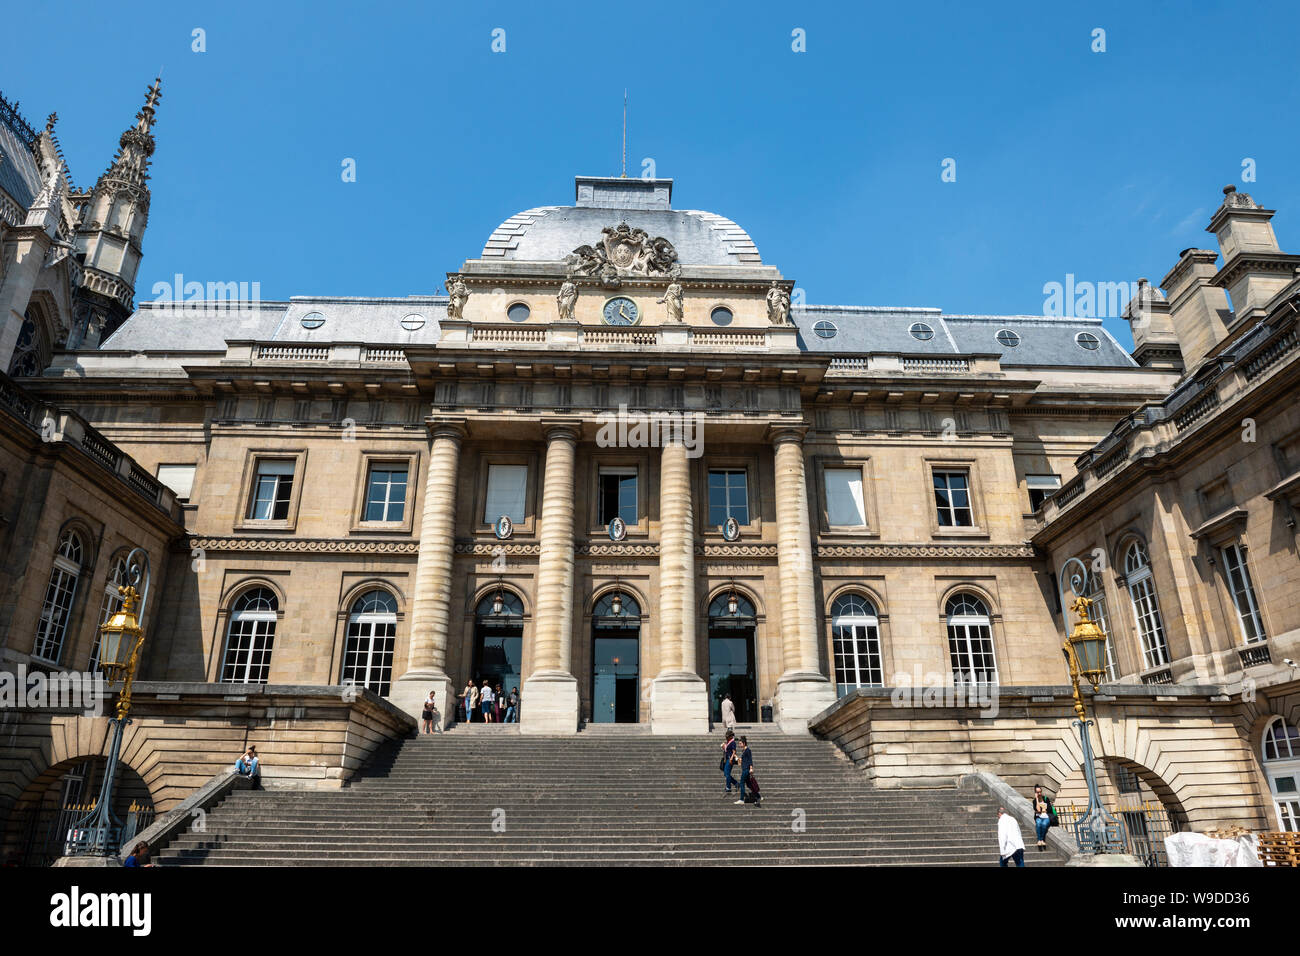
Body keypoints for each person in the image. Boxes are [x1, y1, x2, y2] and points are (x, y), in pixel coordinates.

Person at [734, 736, 759, 806]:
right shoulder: (744, 751)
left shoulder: (748, 750)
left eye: (740, 743)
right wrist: (737, 758)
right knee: (748, 784)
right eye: (739, 743)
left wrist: (751, 768)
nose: (739, 745)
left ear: (744, 743)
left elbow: (750, 760)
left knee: (742, 783)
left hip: (746, 770)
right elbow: (743, 760)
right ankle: (758, 796)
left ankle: (741, 799)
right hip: (744, 769)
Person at [1030, 784, 1056, 850]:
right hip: (1039, 817)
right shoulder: (1034, 801)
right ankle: (1040, 840)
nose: (1039, 793)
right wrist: (1037, 799)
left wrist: (1045, 809)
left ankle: (1041, 839)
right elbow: (1038, 810)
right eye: (1037, 792)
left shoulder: (1045, 799)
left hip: (1046, 816)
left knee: (1044, 824)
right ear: (1035, 793)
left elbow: (1049, 809)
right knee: (1038, 823)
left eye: (1040, 792)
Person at [720, 729, 737, 795]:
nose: (726, 738)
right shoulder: (728, 742)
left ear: (731, 736)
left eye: (727, 737)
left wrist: (731, 759)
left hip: (730, 759)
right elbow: (727, 750)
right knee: (726, 773)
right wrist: (724, 747)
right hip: (727, 759)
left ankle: (728, 787)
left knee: (727, 773)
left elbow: (734, 751)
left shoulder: (733, 742)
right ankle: (736, 783)